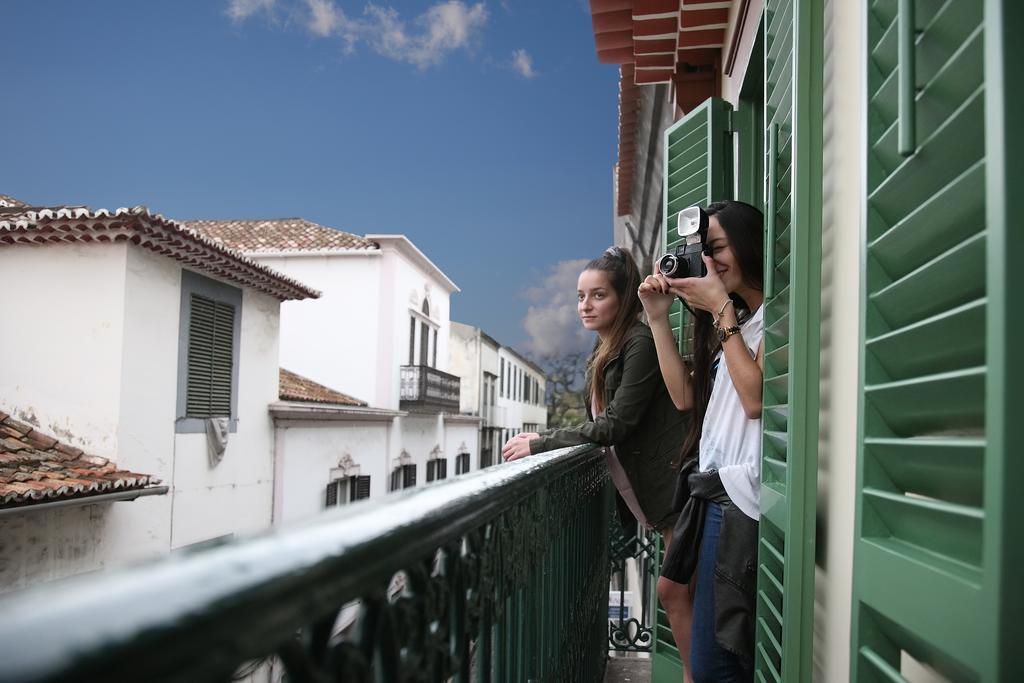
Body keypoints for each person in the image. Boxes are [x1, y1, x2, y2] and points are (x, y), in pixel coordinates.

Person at [639, 201, 765, 683]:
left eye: (716, 250)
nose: (708, 265)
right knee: (674, 594)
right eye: (701, 255)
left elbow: (755, 400)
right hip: (711, 490)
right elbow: (684, 396)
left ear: (749, 244)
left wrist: (718, 308)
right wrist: (656, 318)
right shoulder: (736, 320)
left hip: (737, 499)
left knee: (722, 655)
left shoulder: (774, 318)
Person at [502, 246, 687, 540]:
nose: (585, 306)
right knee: (675, 584)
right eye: (580, 296)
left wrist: (542, 442)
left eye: (598, 295)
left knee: (675, 586)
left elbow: (616, 423)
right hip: (649, 487)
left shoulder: (640, 344)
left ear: (623, 300)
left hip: (669, 485)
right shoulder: (603, 349)